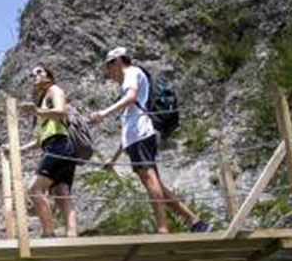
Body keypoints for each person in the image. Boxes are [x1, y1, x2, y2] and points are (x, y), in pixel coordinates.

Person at [88, 48, 209, 234]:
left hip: (141, 136)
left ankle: (162, 229)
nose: (108, 71)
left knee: (150, 180)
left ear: (119, 61)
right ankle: (195, 221)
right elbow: (128, 127)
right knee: (156, 184)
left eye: (109, 64)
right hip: (138, 138)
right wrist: (114, 158)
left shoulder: (131, 72)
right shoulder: (130, 79)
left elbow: (131, 98)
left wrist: (102, 113)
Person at [17, 64, 77, 238]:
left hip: (59, 145)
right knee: (61, 193)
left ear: (49, 77)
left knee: (34, 189)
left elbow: (60, 112)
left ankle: (49, 233)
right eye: (32, 74)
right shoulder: (43, 102)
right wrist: (18, 149)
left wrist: (37, 111)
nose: (34, 75)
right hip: (56, 145)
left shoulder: (54, 90)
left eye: (39, 72)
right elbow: (38, 141)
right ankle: (72, 237)